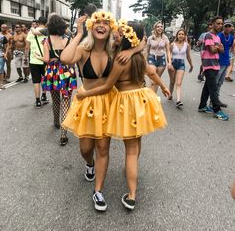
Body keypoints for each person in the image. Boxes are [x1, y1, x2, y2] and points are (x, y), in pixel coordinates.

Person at [75, 20, 170, 211]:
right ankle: (132, 181)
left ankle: (132, 194)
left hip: (126, 103)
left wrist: (85, 93)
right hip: (142, 100)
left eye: (119, 33)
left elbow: (108, 86)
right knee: (136, 145)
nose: (116, 35)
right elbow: (151, 71)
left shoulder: (120, 59)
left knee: (131, 151)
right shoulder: (138, 57)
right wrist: (164, 86)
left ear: (126, 37)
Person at [61, 12, 144, 212]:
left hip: (109, 103)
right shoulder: (83, 49)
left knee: (103, 149)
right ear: (91, 26)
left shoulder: (114, 50)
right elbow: (65, 59)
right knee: (85, 148)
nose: (101, 25)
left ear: (111, 29)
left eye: (106, 23)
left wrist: (132, 52)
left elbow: (141, 42)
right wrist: (79, 33)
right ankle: (89, 164)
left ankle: (98, 191)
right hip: (87, 103)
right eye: (97, 22)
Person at [36, 13, 80, 146]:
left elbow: (46, 60)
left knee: (55, 100)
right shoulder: (68, 39)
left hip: (51, 72)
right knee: (66, 102)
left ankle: (56, 121)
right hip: (66, 71)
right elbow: (72, 60)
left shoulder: (47, 40)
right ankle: (63, 135)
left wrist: (39, 56)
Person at [198, 16, 229, 121]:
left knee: (207, 86)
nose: (220, 25)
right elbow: (212, 50)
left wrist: (219, 48)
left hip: (216, 64)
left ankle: (202, 106)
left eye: (221, 24)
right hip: (208, 64)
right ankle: (217, 110)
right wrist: (218, 48)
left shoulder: (218, 37)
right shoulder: (208, 35)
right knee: (213, 88)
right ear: (212, 24)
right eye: (218, 23)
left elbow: (222, 50)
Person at [26, 17, 49, 108]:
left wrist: (26, 57)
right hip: (45, 59)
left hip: (34, 60)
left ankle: (38, 101)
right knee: (44, 78)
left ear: (38, 23)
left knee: (36, 81)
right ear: (46, 23)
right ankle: (44, 96)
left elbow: (27, 46)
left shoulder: (31, 32)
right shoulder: (48, 32)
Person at [168, 29, 193, 107]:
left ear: (184, 36)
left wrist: (191, 65)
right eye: (179, 34)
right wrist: (169, 64)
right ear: (177, 35)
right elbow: (168, 55)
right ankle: (170, 94)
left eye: (182, 34)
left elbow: (188, 56)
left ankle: (178, 100)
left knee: (178, 83)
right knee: (172, 82)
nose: (181, 35)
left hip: (181, 65)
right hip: (172, 64)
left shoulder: (187, 45)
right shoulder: (172, 44)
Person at [147, 21, 172, 92]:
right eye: (158, 27)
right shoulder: (150, 38)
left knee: (157, 80)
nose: (160, 28)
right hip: (152, 58)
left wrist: (169, 62)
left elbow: (168, 51)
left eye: (161, 27)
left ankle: (153, 98)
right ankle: (149, 98)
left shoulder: (165, 38)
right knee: (152, 80)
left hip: (162, 59)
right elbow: (147, 51)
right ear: (155, 28)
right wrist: (145, 61)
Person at [216, 20, 234, 107]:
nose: (227, 28)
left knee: (220, 82)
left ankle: (217, 100)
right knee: (215, 82)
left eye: (229, 26)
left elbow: (230, 48)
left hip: (226, 61)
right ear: (224, 27)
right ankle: (213, 102)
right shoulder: (219, 36)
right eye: (226, 26)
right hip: (219, 61)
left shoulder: (231, 37)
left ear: (231, 28)